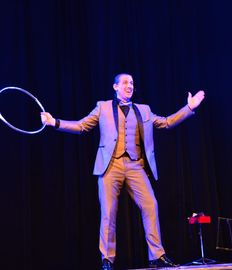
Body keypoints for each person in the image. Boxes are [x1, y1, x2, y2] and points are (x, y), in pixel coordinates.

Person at [41, 73, 205, 270]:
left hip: (136, 165)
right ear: (115, 86)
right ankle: (107, 259)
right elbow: (82, 125)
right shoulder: (103, 107)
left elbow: (167, 122)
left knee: (151, 205)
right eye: (125, 82)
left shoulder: (144, 110)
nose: (130, 85)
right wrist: (55, 122)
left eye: (132, 83)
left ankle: (157, 256)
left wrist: (189, 108)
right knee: (108, 213)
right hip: (110, 165)